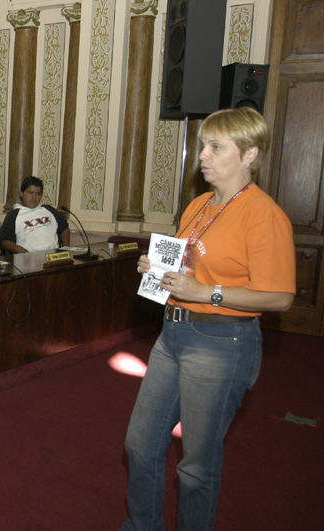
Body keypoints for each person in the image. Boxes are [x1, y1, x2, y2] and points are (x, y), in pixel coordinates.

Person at [121, 107, 296, 531]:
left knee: (196, 466)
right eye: (203, 145)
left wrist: (207, 293)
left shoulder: (263, 214)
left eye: (217, 147)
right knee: (140, 445)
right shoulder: (199, 204)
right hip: (173, 334)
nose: (203, 155)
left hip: (221, 344)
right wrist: (158, 270)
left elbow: (280, 296)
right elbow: (190, 267)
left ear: (250, 154)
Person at [0, 176, 68, 253]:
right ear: (21, 193)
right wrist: (19, 250)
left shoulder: (49, 210)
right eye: (30, 193)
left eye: (38, 194)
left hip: (52, 257)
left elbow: (64, 227)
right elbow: (5, 241)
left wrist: (65, 249)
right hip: (27, 257)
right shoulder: (14, 215)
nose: (34, 197)